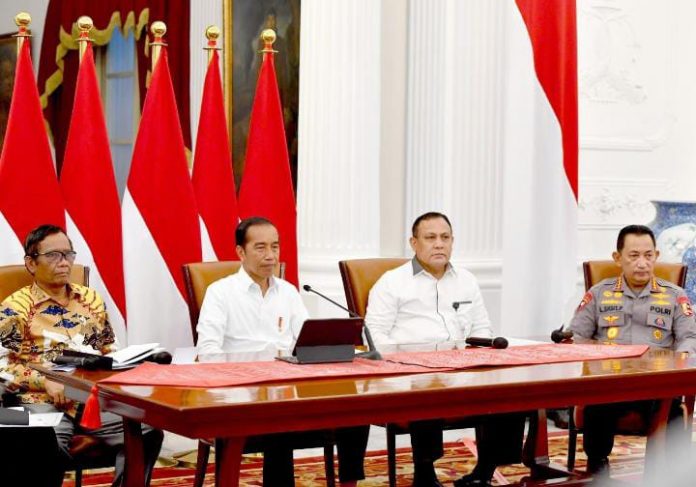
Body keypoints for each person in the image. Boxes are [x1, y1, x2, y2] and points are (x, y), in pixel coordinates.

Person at [196, 216, 368, 487]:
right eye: (261, 247)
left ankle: (349, 484)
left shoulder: (288, 293)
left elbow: (307, 344)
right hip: (242, 394)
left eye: (275, 247)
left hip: (288, 389)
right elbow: (207, 355)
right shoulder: (220, 293)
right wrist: (259, 365)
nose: (270, 255)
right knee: (278, 418)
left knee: (356, 406)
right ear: (240, 252)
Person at [366, 212, 526, 487]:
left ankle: (484, 472)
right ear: (413, 243)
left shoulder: (466, 280)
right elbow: (374, 335)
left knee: (510, 387)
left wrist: (478, 362)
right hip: (410, 373)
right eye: (430, 238)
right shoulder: (392, 282)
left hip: (461, 367)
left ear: (453, 242)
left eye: (445, 238)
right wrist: (407, 363)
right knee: (427, 390)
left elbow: (482, 329)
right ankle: (424, 475)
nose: (439, 244)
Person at [0, 224, 163, 487]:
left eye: (68, 254)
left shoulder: (91, 300)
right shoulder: (14, 308)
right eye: (53, 255)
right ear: (31, 263)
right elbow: (5, 366)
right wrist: (46, 381)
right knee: (43, 446)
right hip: (42, 400)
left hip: (89, 399)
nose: (63, 262)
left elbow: (110, 350)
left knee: (147, 431)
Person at [570, 224, 696, 475]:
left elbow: (690, 338)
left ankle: (662, 476)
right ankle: (598, 469)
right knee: (598, 404)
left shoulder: (675, 296)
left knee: (670, 413)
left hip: (656, 388)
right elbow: (577, 338)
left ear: (656, 257)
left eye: (648, 256)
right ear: (618, 258)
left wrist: (678, 366)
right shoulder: (598, 294)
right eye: (634, 256)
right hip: (609, 385)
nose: (642, 263)